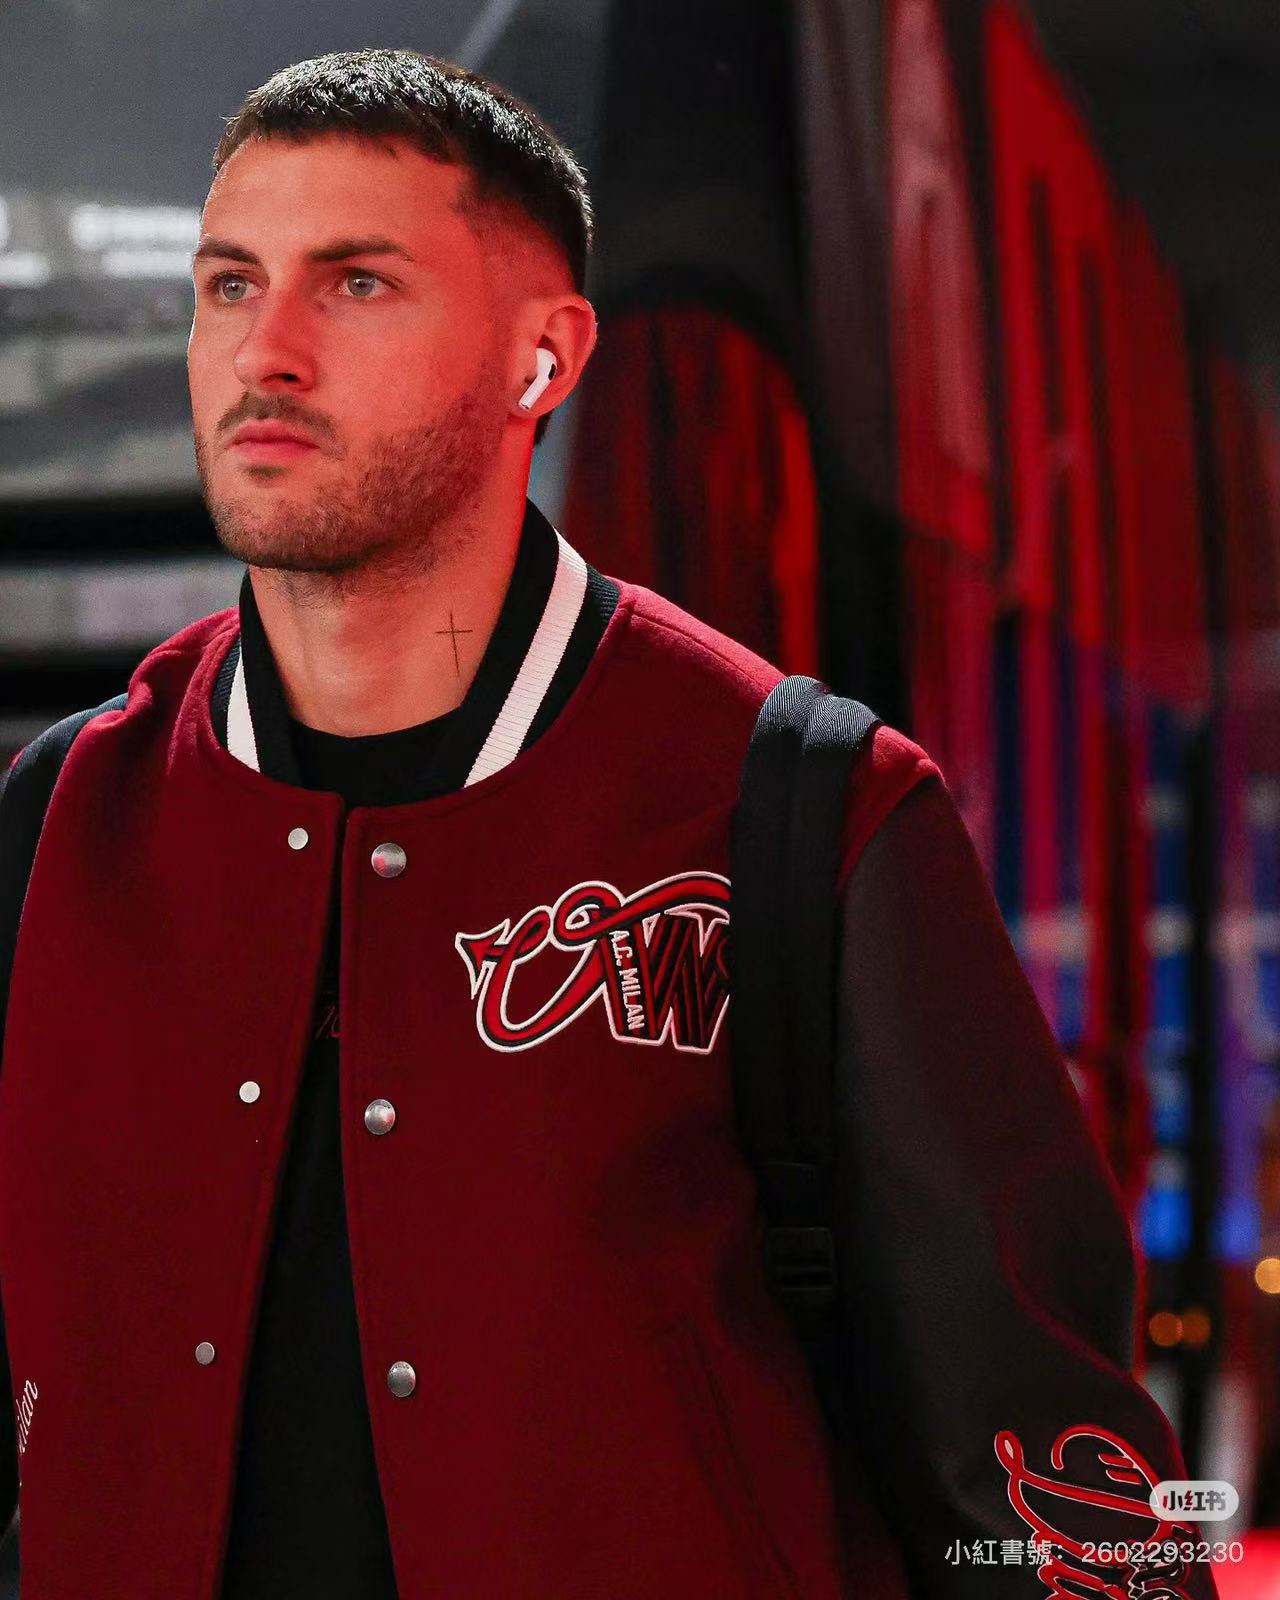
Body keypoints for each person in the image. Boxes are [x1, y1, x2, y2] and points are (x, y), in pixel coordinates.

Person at [0, 48, 1221, 1600]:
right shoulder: (60, 827)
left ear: (545, 356)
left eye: (357, 284)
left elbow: (1066, 1503)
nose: (266, 351)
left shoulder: (806, 814)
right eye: (230, 284)